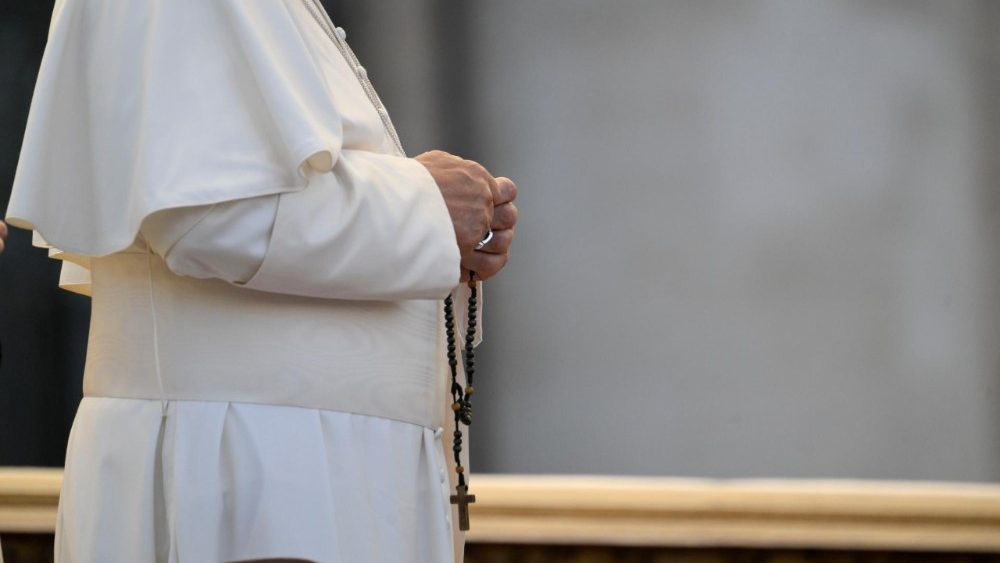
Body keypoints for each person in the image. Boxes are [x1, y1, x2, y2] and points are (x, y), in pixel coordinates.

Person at [4, 0, 517, 561]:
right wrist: (422, 208)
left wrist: (436, 235)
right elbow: (206, 214)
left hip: (301, 466)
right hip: (253, 470)